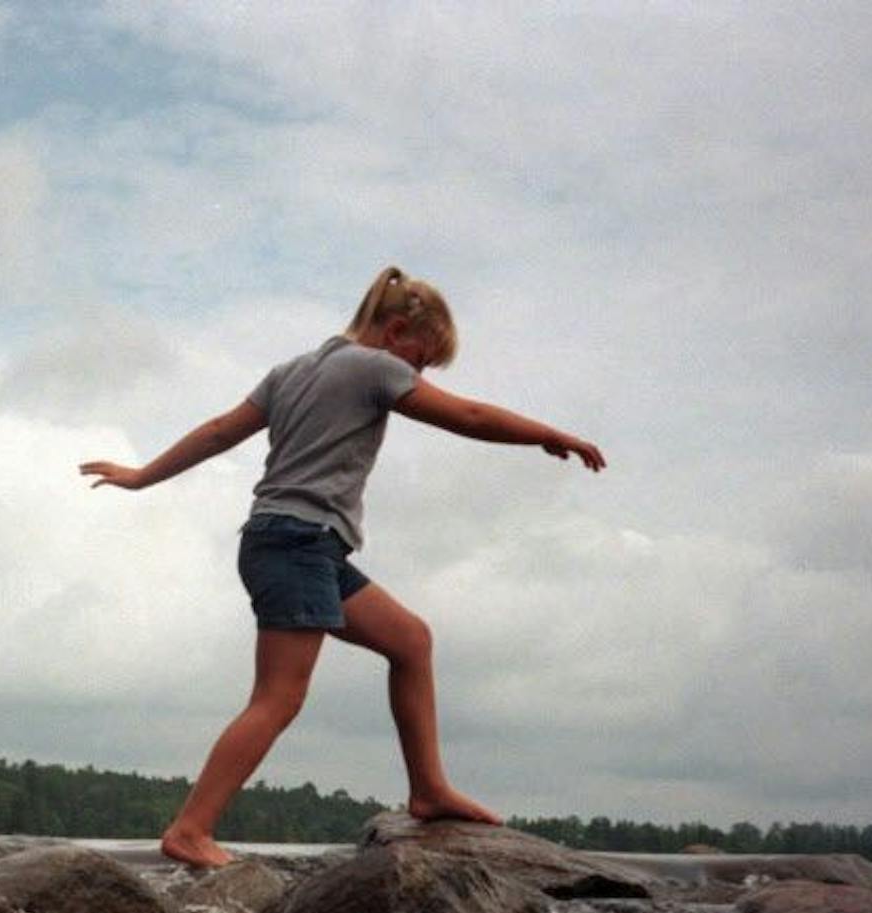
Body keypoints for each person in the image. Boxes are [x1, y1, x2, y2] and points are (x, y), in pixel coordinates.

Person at [78, 266, 606, 870]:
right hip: (298, 541)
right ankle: (190, 829)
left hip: (303, 545)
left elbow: (221, 431)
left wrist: (144, 475)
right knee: (277, 697)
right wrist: (548, 434)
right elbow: (473, 417)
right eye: (422, 360)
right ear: (397, 330)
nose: (420, 376)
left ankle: (428, 790)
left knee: (411, 640)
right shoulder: (375, 366)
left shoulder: (291, 371)